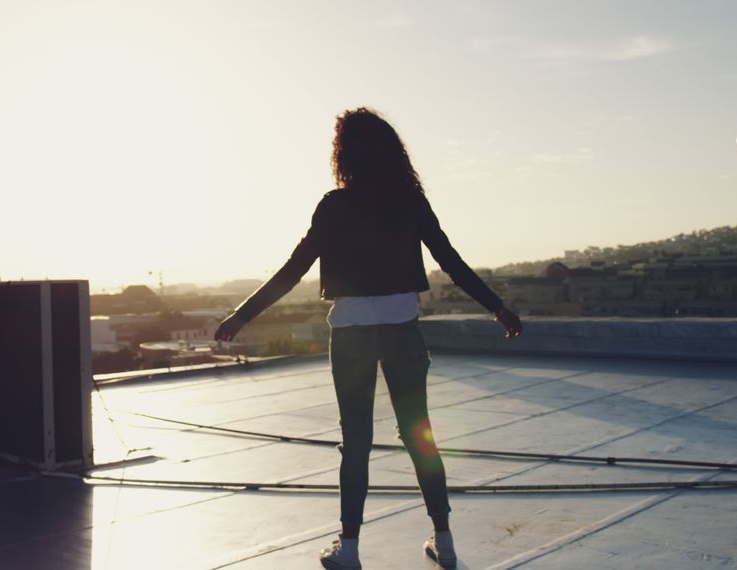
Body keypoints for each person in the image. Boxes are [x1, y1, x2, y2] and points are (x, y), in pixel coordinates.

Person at [214, 107, 523, 569]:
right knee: (420, 435)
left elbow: (293, 270)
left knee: (355, 440)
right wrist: (498, 307)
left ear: (346, 153)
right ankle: (445, 539)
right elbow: (451, 263)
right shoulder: (411, 202)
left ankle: (351, 549)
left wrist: (240, 317)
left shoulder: (334, 206)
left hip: (353, 335)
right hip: (403, 331)